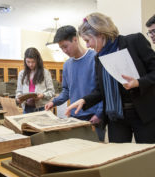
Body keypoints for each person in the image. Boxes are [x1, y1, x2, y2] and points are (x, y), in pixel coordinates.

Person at [65, 12, 155, 144]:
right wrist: (84, 100)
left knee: (148, 158)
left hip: (143, 113)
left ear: (100, 34)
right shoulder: (98, 58)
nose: (88, 46)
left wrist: (139, 82)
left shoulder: (134, 41)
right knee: (118, 158)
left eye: (87, 40)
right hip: (116, 117)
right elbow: (100, 90)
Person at [45, 25, 105, 141]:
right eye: (61, 48)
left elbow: (103, 91)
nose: (64, 51)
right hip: (74, 117)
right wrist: (54, 102)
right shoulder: (67, 65)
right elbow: (66, 90)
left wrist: (99, 114)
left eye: (65, 46)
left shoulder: (95, 58)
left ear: (75, 39)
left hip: (93, 117)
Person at [16, 47, 55, 114]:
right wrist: (18, 98)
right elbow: (19, 91)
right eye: (28, 62)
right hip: (27, 109)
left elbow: (52, 92)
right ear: (25, 60)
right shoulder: (21, 74)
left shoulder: (45, 73)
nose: (30, 64)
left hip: (42, 109)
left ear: (38, 60)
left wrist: (42, 95)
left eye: (33, 62)